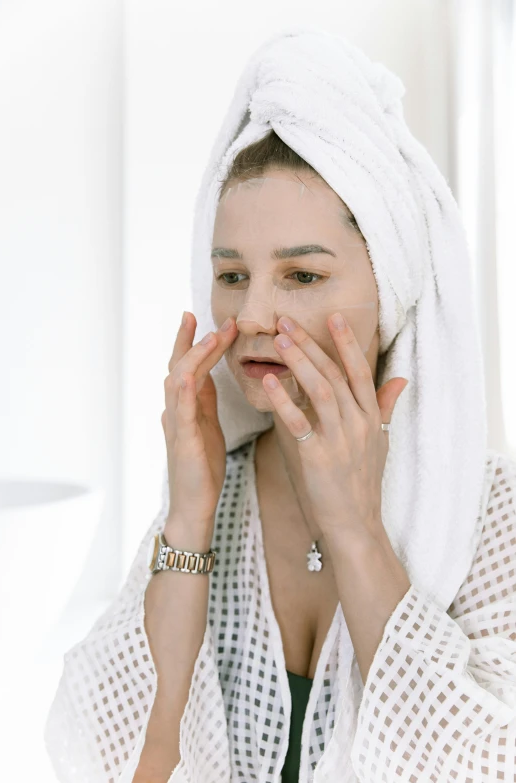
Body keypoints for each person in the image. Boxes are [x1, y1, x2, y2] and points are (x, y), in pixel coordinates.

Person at [44, 29, 516, 783]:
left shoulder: (489, 517)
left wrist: (358, 530)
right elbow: (123, 765)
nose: (254, 313)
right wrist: (188, 518)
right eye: (232, 276)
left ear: (387, 293)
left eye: (300, 276)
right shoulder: (208, 500)